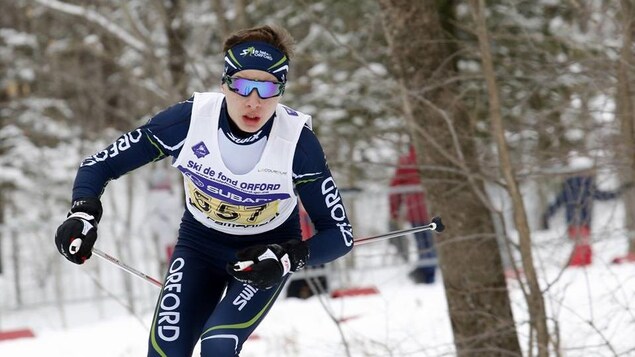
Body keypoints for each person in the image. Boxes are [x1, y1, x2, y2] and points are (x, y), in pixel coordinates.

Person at [54, 25, 354, 357]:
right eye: (243, 85)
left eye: (267, 89)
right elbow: (99, 164)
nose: (253, 102)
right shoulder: (187, 123)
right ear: (225, 83)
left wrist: (288, 258)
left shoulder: (298, 145)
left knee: (218, 344)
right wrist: (83, 212)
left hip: (264, 253)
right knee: (166, 351)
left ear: (281, 91)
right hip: (199, 247)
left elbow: (339, 234)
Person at [542, 156, 625, 267]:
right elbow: (602, 196)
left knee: (583, 247)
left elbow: (557, 203)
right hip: (580, 222)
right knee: (583, 247)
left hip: (576, 222)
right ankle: (575, 267)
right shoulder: (585, 186)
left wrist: (547, 216)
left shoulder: (569, 186)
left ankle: (582, 267)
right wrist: (617, 193)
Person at [388, 144, 437, 284]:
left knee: (423, 244)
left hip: (417, 212)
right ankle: (428, 272)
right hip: (432, 211)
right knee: (432, 243)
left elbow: (394, 188)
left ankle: (428, 274)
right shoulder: (433, 157)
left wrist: (394, 211)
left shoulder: (406, 161)